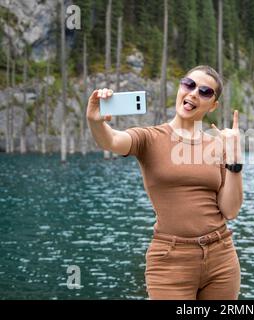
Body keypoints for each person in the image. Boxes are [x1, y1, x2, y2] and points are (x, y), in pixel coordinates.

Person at [86, 65, 243, 300]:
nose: (193, 93)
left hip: (222, 257)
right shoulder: (149, 138)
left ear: (213, 105)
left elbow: (230, 210)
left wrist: (235, 159)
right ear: (180, 88)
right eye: (188, 84)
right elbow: (112, 140)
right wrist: (96, 121)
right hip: (170, 260)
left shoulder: (218, 145)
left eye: (204, 91)